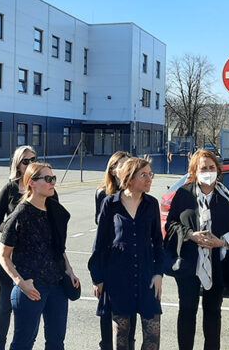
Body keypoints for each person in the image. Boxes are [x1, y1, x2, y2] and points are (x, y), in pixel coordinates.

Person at [164, 149, 229, 350]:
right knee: (187, 310)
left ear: (218, 170)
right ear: (194, 170)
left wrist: (221, 242)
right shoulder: (183, 194)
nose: (208, 171)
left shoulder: (227, 196)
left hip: (217, 262)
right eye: (203, 167)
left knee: (212, 312)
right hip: (188, 263)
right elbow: (171, 224)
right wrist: (191, 235)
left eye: (211, 167)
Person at [0, 162, 79, 350]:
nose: (52, 183)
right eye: (47, 179)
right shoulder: (20, 214)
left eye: (53, 178)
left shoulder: (53, 211)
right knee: (23, 343)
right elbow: (3, 255)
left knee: (56, 342)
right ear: (31, 183)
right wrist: (20, 283)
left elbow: (58, 247)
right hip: (31, 288)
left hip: (57, 285)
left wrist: (69, 270)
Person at [89, 157, 166, 350]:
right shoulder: (110, 203)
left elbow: (158, 242)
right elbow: (99, 244)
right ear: (129, 178)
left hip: (147, 277)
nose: (149, 179)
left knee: (152, 338)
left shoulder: (151, 204)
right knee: (120, 339)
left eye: (150, 174)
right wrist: (97, 278)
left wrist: (159, 274)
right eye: (144, 175)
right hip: (118, 278)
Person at [0, 145, 37, 350]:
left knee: (31, 306)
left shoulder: (42, 185)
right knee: (4, 306)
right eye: (26, 161)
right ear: (17, 165)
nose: (31, 164)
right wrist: (12, 232)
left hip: (35, 259)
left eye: (34, 159)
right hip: (11, 256)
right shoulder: (9, 188)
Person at [93, 150, 132, 350]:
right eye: (122, 165)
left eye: (129, 165)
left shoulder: (136, 194)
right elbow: (100, 234)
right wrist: (97, 276)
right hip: (108, 263)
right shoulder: (103, 194)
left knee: (128, 319)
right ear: (113, 169)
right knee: (107, 315)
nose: (126, 169)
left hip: (129, 265)